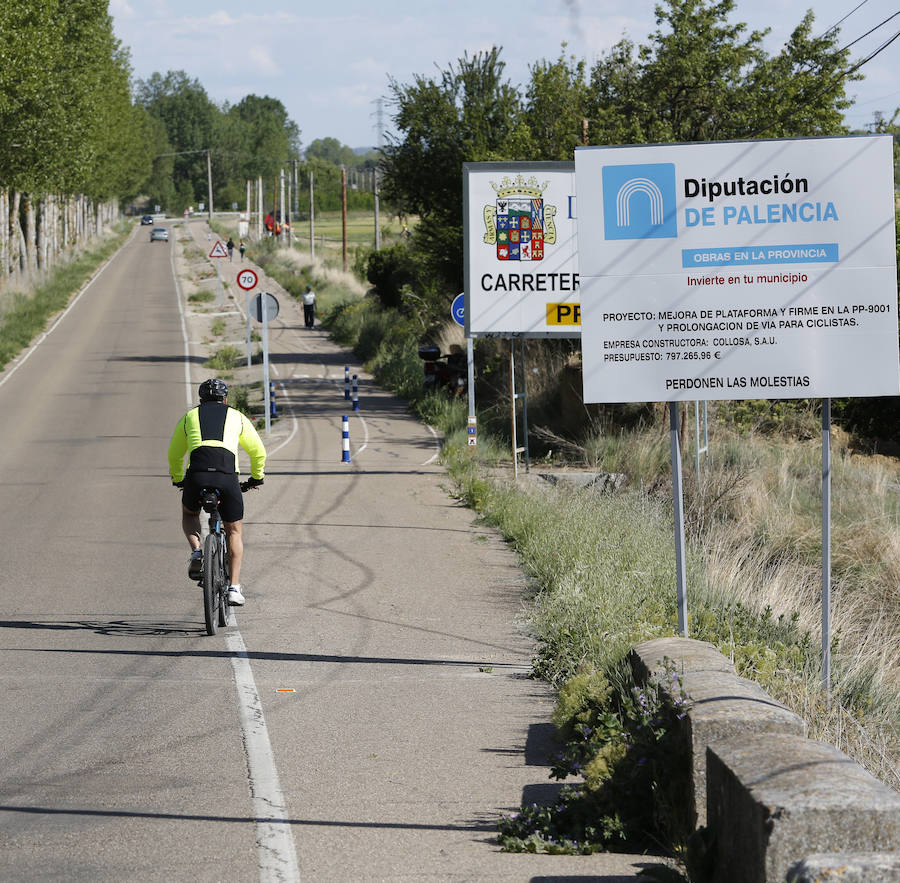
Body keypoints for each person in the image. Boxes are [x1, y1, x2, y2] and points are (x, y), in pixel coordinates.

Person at [168, 378, 266, 606]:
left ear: (200, 399)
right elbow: (258, 451)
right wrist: (256, 477)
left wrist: (178, 479)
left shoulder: (190, 417)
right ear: (226, 399)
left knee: (190, 514)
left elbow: (174, 454)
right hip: (226, 475)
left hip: (198, 474)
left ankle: (196, 552)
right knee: (234, 531)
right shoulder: (237, 417)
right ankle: (233, 588)